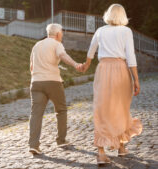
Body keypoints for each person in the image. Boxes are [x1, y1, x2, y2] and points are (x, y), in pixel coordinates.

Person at [82, 4, 143, 164]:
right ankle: (121, 148)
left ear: (107, 14)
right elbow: (130, 56)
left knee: (102, 109)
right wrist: (136, 79)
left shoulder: (100, 31)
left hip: (103, 70)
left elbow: (90, 51)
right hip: (121, 70)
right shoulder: (126, 31)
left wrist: (85, 65)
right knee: (121, 108)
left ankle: (102, 152)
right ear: (123, 15)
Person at [28, 23, 83, 155]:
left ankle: (33, 145)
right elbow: (63, 56)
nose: (62, 35)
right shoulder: (57, 44)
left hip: (36, 83)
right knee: (61, 110)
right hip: (53, 82)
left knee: (36, 114)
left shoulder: (37, 45)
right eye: (62, 33)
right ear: (58, 34)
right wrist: (76, 65)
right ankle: (61, 140)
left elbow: (31, 67)